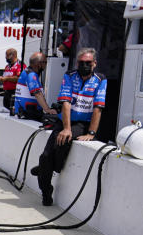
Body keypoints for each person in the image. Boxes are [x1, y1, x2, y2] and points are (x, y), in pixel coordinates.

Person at [30, 48, 107, 206]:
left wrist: (92, 133)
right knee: (45, 156)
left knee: (63, 143)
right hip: (65, 121)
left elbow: (98, 108)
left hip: (82, 123)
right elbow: (66, 103)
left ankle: (45, 168)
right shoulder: (70, 76)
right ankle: (46, 189)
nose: (84, 65)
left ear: (94, 64)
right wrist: (66, 128)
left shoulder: (100, 79)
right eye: (81, 63)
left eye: (88, 63)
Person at [13, 51, 57, 121]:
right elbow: (37, 94)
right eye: (45, 62)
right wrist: (48, 109)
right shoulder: (31, 75)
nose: (46, 65)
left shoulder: (27, 72)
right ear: (39, 64)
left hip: (26, 113)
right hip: (28, 114)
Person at [0, 48, 24, 113]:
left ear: (13, 55)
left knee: (12, 112)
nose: (6, 57)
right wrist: (1, 79)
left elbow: (19, 78)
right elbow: (5, 77)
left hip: (15, 93)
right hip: (6, 92)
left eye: (7, 55)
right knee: (5, 111)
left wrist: (6, 78)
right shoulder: (7, 66)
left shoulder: (20, 65)